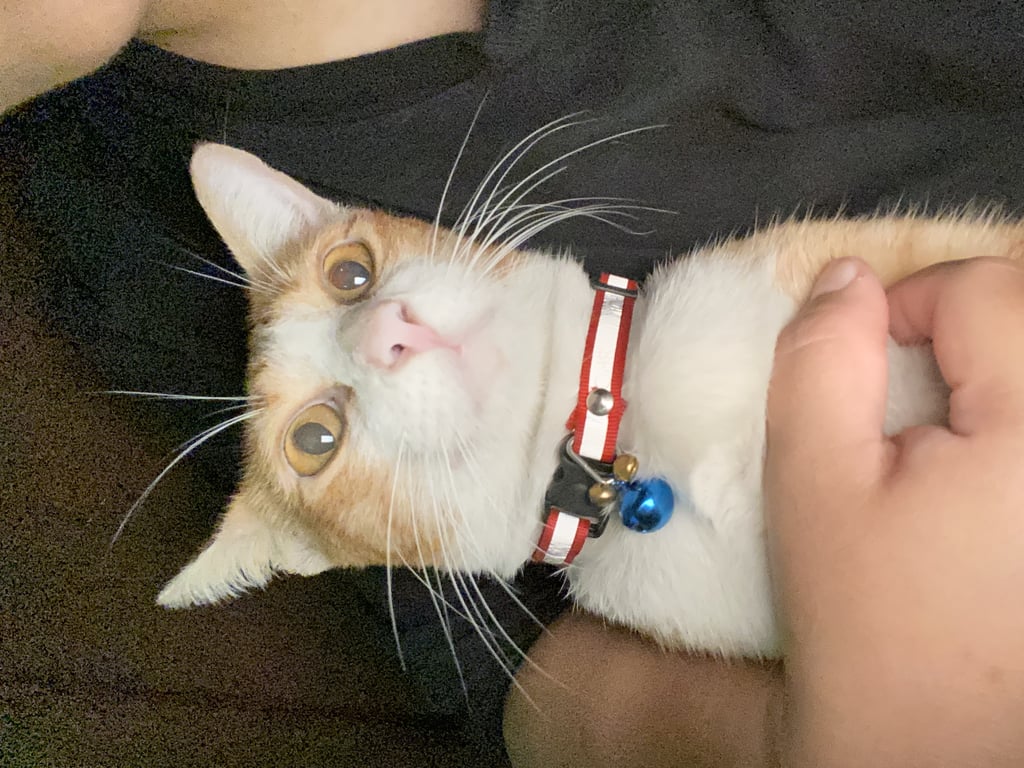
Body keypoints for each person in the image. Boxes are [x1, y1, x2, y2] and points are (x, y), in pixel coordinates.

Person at [3, 2, 1023, 765]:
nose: (380, 333)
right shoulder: (114, 247)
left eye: (350, 275)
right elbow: (511, 688)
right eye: (314, 436)